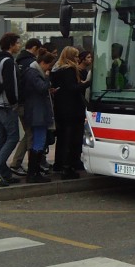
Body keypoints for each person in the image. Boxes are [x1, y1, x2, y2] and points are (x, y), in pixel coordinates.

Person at [0, 33, 23, 186]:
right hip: (6, 105)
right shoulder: (8, 61)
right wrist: (14, 102)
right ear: (11, 45)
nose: (19, 46)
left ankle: (3, 172)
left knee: (0, 140)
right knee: (13, 137)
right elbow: (10, 84)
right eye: (17, 43)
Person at [19, 49, 56, 183]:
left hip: (36, 111)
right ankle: (33, 173)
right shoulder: (34, 73)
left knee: (38, 141)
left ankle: (33, 172)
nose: (49, 69)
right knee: (39, 141)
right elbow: (41, 88)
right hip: (37, 113)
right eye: (48, 66)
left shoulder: (30, 72)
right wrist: (47, 78)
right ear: (43, 63)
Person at [7, 38, 42, 176]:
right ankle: (20, 164)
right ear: (35, 48)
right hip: (28, 103)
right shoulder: (32, 63)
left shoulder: (18, 61)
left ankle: (17, 163)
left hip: (20, 102)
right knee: (31, 135)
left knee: (28, 134)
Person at [52, 46, 86, 178]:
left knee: (62, 138)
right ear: (71, 57)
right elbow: (72, 88)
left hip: (60, 108)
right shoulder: (70, 69)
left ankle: (59, 164)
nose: (78, 59)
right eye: (76, 56)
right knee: (71, 139)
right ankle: (68, 167)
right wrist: (86, 84)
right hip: (72, 109)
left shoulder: (56, 69)